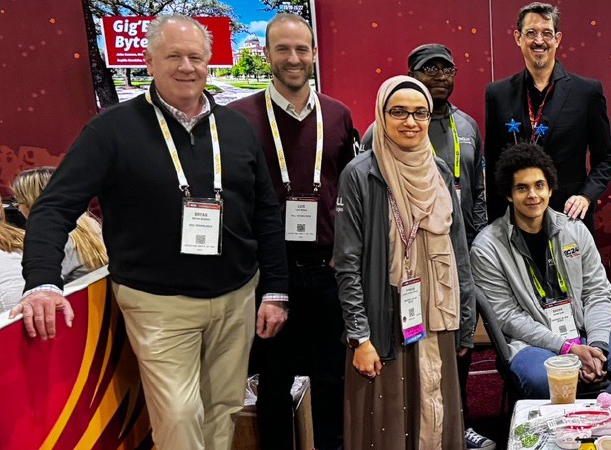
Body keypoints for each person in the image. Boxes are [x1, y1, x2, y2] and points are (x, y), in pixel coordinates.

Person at [13, 15, 289, 450]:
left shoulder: (236, 128)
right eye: (173, 56)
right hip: (159, 304)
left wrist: (275, 289)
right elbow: (54, 206)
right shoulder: (110, 130)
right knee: (178, 415)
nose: (186, 66)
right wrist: (43, 280)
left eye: (195, 57)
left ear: (209, 63)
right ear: (149, 61)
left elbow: (266, 214)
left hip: (237, 297)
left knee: (224, 407)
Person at [226, 13, 354, 450]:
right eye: (282, 49)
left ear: (315, 54)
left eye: (302, 49)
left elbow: (347, 189)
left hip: (327, 270)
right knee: (274, 384)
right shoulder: (236, 118)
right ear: (266, 54)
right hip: (269, 277)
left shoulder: (337, 115)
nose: (293, 58)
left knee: (332, 378)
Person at [333, 75, 477, 449]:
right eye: (399, 112)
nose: (411, 122)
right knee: (388, 423)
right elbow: (347, 264)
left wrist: (465, 319)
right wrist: (360, 337)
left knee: (436, 407)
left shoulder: (441, 171)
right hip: (385, 319)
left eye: (420, 113)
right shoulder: (361, 174)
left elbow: (458, 249)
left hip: (436, 315)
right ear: (381, 115)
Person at [471, 143, 611, 399]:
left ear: (549, 188)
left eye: (539, 185)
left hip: (584, 328)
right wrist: (567, 348)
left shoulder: (574, 230)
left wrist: (597, 345)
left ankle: (601, 415)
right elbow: (507, 316)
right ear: (508, 194)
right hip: (532, 343)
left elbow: (597, 292)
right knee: (543, 381)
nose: (533, 195)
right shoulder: (487, 247)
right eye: (521, 188)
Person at [484, 2, 611, 226]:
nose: (539, 41)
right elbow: (494, 163)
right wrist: (496, 224)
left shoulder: (587, 92)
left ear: (557, 39)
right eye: (531, 33)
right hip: (516, 219)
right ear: (518, 37)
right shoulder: (498, 93)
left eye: (547, 33)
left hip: (569, 217)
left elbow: (605, 159)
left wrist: (586, 196)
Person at [362, 44, 487, 243]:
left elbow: (478, 190)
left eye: (447, 70)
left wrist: (480, 237)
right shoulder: (386, 130)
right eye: (430, 69)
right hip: (412, 243)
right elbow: (365, 193)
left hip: (464, 240)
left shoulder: (467, 126)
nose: (441, 76)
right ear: (411, 76)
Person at [11, 166, 108, 281]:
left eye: (18, 202)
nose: (18, 208)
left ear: (31, 203)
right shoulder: (89, 223)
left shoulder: (50, 237)